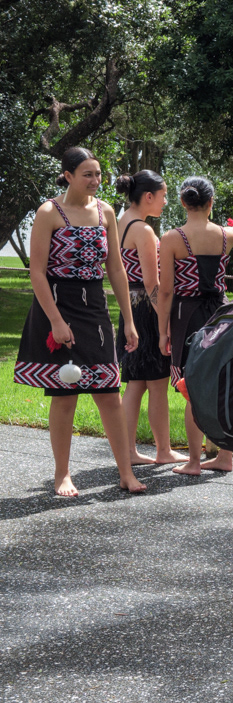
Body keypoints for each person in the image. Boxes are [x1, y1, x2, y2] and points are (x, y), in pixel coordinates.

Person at [13, 147, 147, 496]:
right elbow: (37, 273)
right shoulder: (48, 212)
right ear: (68, 175)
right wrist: (56, 321)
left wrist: (128, 321)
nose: (95, 180)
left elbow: (115, 268)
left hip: (95, 309)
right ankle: (62, 475)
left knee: (108, 392)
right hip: (56, 304)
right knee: (65, 393)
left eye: (98, 174)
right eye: (87, 174)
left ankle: (125, 473)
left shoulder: (105, 211)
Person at [156, 176, 233, 475]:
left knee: (193, 388)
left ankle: (194, 462)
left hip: (186, 318)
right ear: (211, 202)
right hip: (222, 314)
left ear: (183, 202)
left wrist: (163, 331)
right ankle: (225, 457)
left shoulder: (172, 238)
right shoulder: (227, 235)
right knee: (225, 382)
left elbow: (165, 291)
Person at [114, 170, 186, 465]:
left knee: (136, 382)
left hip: (128, 307)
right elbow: (151, 283)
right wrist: (165, 320)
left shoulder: (120, 222)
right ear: (148, 196)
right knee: (155, 382)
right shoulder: (143, 230)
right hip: (145, 310)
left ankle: (129, 451)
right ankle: (162, 450)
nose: (166, 201)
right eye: (164, 195)